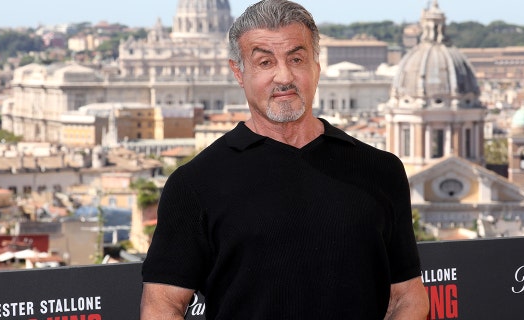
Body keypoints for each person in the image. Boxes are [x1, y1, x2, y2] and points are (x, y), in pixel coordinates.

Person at [140, 0, 429, 319]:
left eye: (297, 59)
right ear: (239, 72)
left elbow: (408, 297)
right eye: (265, 62)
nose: (284, 76)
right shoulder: (194, 184)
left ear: (316, 67)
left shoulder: (381, 171)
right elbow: (161, 305)